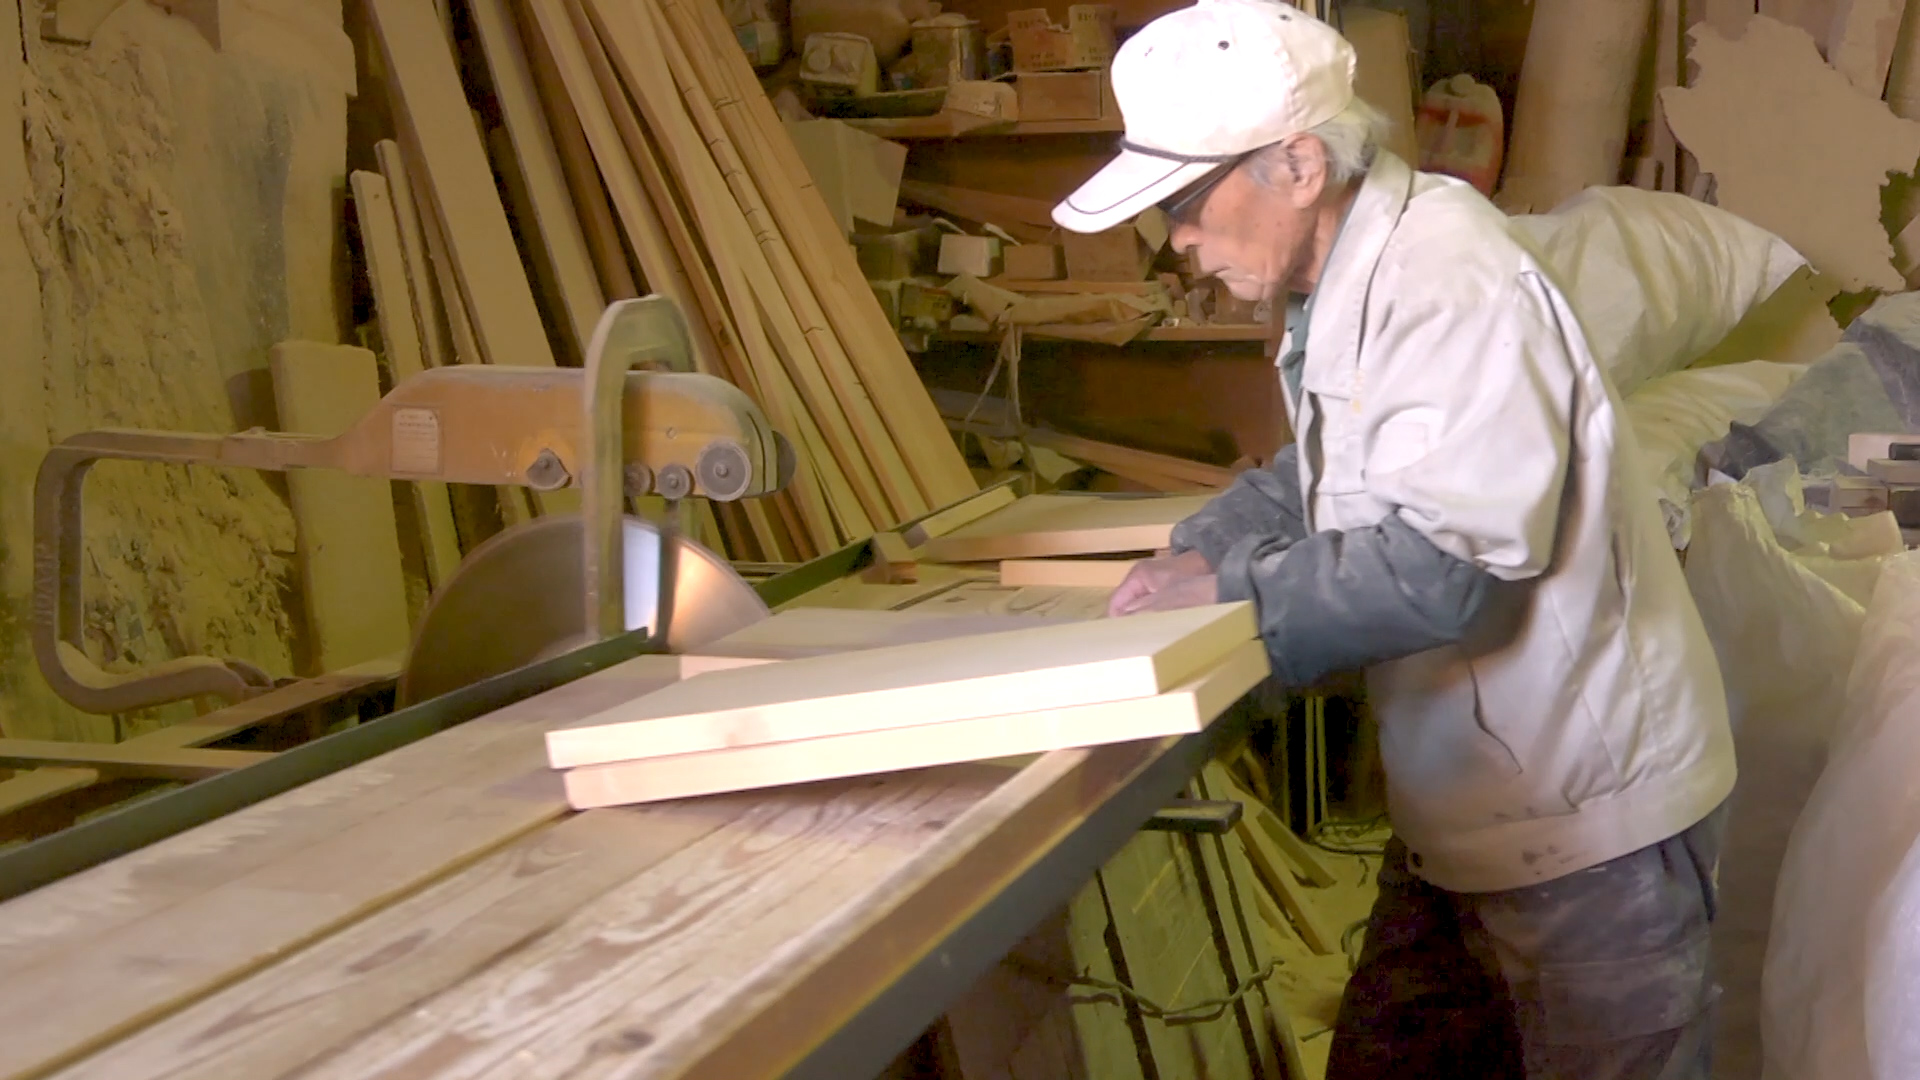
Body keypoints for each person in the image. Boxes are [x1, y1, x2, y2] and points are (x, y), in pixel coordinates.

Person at [1050, 2, 1738, 1078]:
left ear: (1297, 166)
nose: (1176, 239)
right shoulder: (1350, 276)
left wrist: (1235, 594)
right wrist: (1206, 542)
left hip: (1584, 826)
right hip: (1467, 807)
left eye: (1186, 203)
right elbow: (1337, 467)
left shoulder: (1446, 280)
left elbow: (1449, 569)